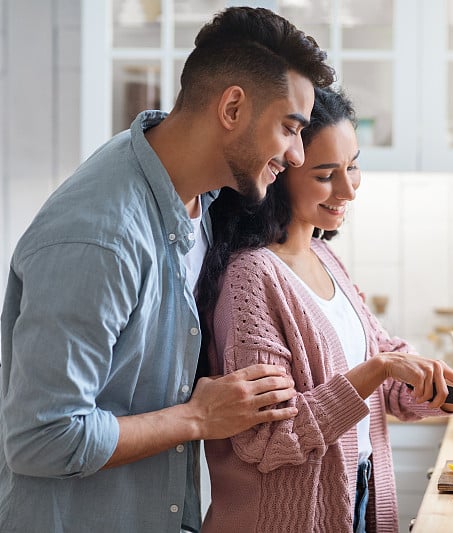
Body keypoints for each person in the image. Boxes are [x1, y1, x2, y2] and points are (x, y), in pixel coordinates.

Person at [0, 7, 335, 533]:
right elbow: (41, 438)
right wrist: (199, 418)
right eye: (289, 129)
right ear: (232, 107)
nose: (296, 154)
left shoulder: (196, 198)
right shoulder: (100, 236)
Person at [196, 86, 453, 533]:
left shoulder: (323, 258)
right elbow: (267, 439)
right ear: (279, 175)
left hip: (358, 498)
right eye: (326, 174)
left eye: (353, 166)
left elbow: (389, 384)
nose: (348, 188)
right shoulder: (250, 279)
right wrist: (379, 369)